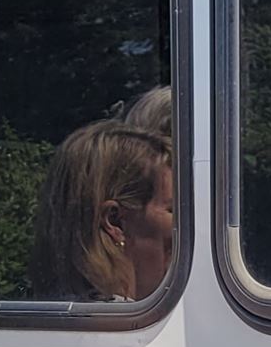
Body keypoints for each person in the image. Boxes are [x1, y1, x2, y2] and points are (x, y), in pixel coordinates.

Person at [23, 116, 176, 302]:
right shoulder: (121, 326)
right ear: (115, 221)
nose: (190, 224)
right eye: (174, 210)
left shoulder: (50, 316)